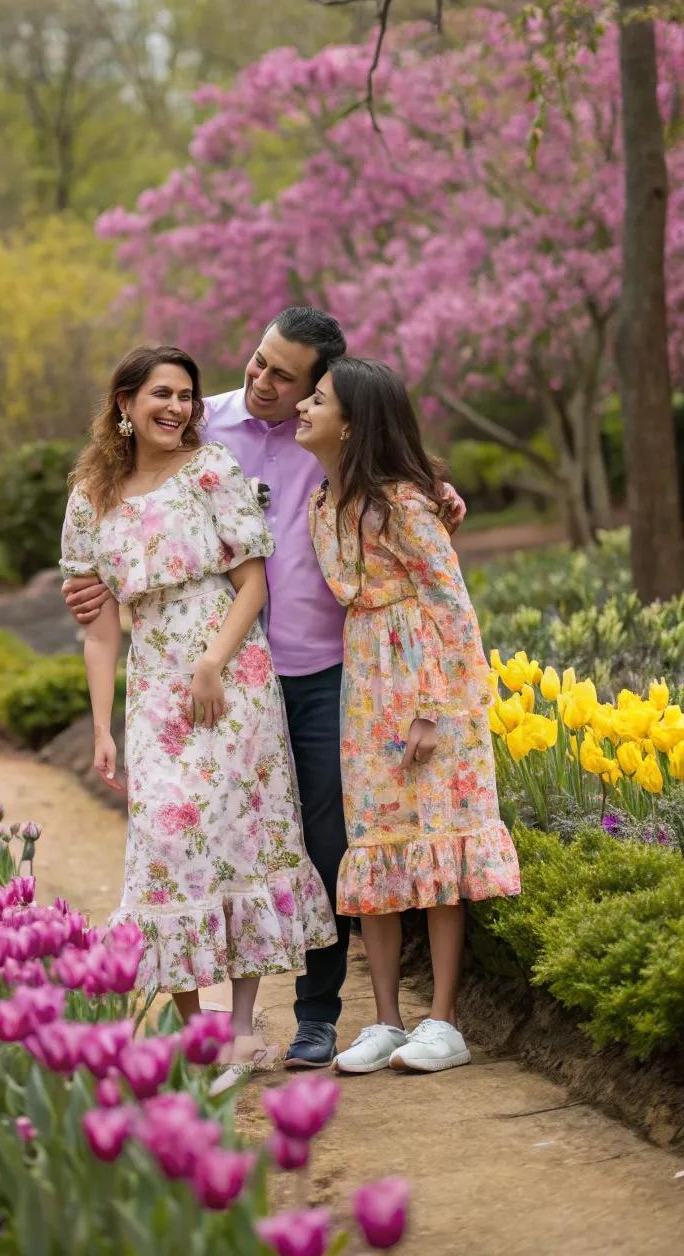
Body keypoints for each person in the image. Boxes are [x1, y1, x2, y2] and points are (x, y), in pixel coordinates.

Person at [66, 307, 462, 1068]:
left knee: (316, 844)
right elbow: (119, 525)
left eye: (285, 376)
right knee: (191, 839)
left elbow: (397, 472)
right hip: (211, 677)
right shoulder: (203, 425)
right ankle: (214, 1023)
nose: (261, 381)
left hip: (318, 670)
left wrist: (442, 496)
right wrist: (91, 595)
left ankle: (315, 1017)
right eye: (257, 361)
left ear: (320, 389)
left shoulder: (331, 432)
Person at [60, 344, 336, 1082]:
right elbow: (98, 624)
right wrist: (101, 726)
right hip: (153, 685)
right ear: (123, 404)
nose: (177, 408)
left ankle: (243, 1031)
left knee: (241, 838)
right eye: (160, 394)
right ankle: (197, 1027)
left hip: (232, 675)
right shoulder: (90, 495)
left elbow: (252, 581)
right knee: (164, 850)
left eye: (185, 395)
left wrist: (214, 660)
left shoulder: (212, 471)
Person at [296, 356, 521, 1075]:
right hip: (365, 690)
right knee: (379, 850)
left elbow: (452, 608)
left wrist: (433, 709)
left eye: (318, 400)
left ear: (352, 422)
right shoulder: (321, 504)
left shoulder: (402, 504)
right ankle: (387, 1021)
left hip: (429, 691)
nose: (302, 407)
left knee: (438, 848)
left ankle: (444, 1021)